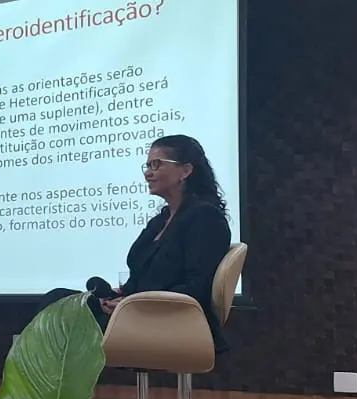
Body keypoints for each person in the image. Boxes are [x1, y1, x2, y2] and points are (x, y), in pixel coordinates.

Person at [46, 134, 233, 349]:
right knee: (57, 300)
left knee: (59, 320)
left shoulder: (205, 218)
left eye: (156, 165)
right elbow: (140, 277)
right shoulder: (160, 220)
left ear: (186, 171)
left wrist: (130, 304)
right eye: (147, 166)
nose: (148, 173)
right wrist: (116, 297)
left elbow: (196, 287)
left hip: (169, 322)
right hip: (135, 313)